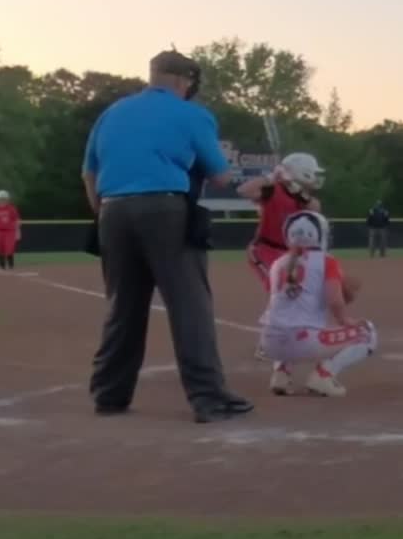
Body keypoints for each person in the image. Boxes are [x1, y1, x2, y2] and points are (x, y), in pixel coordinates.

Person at [81, 49, 253, 424]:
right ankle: (208, 398)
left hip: (112, 210)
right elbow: (221, 175)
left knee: (122, 307)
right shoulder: (192, 114)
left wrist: (105, 213)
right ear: (183, 80)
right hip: (165, 210)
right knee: (189, 305)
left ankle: (109, 395)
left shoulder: (112, 113)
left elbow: (89, 174)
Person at [258, 210, 378, 398]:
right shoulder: (326, 261)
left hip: (269, 342)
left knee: (288, 322)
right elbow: (334, 301)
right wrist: (345, 319)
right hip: (303, 341)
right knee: (367, 333)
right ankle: (323, 376)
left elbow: (290, 297)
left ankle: (281, 374)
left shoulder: (278, 263)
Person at [237, 152, 324, 291]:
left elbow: (315, 208)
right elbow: (243, 191)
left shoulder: (304, 197)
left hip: (292, 253)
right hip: (265, 250)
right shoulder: (273, 190)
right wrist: (271, 177)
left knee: (302, 290)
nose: (315, 178)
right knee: (279, 287)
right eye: (312, 173)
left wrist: (293, 186)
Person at [0, 190, 22, 270]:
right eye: (0, 199)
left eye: (4, 199)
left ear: (7, 200)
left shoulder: (12, 209)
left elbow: (17, 221)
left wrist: (18, 232)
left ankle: (11, 264)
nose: (2, 201)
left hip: (10, 231)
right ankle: (2, 265)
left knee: (9, 247)